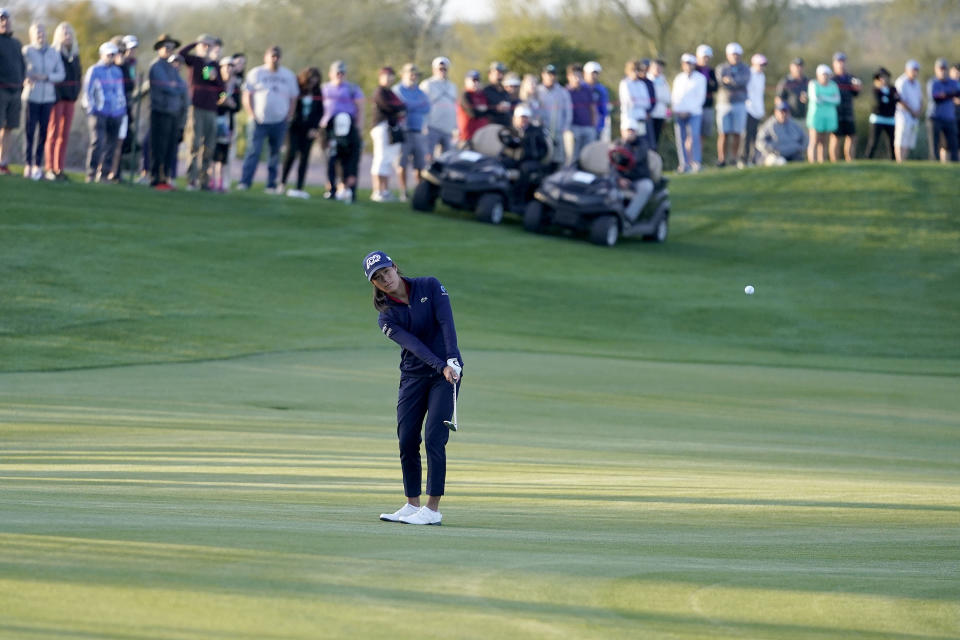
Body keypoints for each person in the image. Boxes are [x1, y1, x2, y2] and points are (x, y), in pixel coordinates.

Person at [364, 250, 463, 527]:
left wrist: (451, 360)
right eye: (377, 278)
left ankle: (432, 509)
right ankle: (411, 504)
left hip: (447, 375)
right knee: (407, 438)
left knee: (434, 438)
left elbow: (446, 323)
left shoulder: (430, 286)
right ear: (374, 283)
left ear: (395, 267)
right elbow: (415, 347)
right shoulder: (386, 317)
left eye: (386, 271)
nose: (385, 279)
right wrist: (439, 363)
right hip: (415, 375)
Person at [238, 45, 298, 193]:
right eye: (272, 56)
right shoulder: (256, 73)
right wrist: (251, 114)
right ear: (265, 57)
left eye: (277, 56)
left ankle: (271, 184)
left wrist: (289, 116)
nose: (274, 59)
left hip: (279, 121)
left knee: (275, 154)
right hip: (258, 121)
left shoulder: (288, 75)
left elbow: (293, 98)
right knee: (253, 152)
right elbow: (247, 95)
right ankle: (244, 182)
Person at [179, 34, 224, 190]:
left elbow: (222, 89)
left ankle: (204, 180)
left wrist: (216, 81)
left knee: (209, 146)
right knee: (194, 143)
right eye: (204, 45)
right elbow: (181, 54)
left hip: (211, 109)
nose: (207, 48)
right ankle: (191, 179)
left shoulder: (214, 65)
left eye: (209, 45)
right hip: (196, 106)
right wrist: (195, 43)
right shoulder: (195, 61)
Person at [21, 22, 64, 180]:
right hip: (31, 96)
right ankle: (28, 164)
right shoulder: (27, 51)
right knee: (30, 131)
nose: (40, 35)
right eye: (37, 33)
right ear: (32, 35)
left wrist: (46, 77)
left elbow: (61, 74)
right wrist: (26, 77)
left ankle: (38, 165)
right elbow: (21, 70)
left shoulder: (54, 52)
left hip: (48, 98)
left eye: (42, 32)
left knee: (43, 132)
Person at [82, 41, 126, 182]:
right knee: (97, 142)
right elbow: (87, 92)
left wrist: (121, 109)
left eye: (113, 55)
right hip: (98, 112)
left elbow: (120, 92)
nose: (111, 57)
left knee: (111, 145)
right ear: (102, 55)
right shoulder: (94, 70)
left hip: (115, 113)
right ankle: (91, 172)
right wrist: (91, 108)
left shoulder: (117, 71)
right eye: (109, 55)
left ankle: (104, 173)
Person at [320, 60, 363, 201]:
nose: (340, 75)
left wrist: (359, 127)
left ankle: (350, 191)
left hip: (349, 128)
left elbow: (360, 108)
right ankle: (332, 189)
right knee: (331, 159)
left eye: (342, 72)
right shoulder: (324, 89)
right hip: (330, 128)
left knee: (350, 161)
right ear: (331, 73)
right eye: (337, 72)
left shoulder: (352, 88)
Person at [147, 34, 185, 190]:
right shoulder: (156, 66)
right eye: (166, 47)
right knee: (159, 147)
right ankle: (156, 178)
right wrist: (174, 86)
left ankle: (165, 178)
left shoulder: (171, 67)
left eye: (172, 47)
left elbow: (182, 87)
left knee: (170, 147)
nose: (170, 50)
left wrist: (175, 86)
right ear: (159, 49)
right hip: (160, 110)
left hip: (173, 112)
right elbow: (167, 87)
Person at [44, 22, 80, 181]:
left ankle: (59, 168)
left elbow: (78, 77)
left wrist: (75, 94)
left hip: (70, 100)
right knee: (53, 133)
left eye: (70, 33)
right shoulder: (54, 54)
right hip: (56, 99)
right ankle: (49, 167)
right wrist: (57, 96)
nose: (68, 36)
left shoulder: (75, 56)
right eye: (64, 33)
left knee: (64, 135)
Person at [279, 66, 322, 198]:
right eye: (311, 79)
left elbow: (320, 111)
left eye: (315, 80)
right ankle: (282, 183)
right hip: (295, 127)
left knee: (304, 158)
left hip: (309, 130)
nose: (313, 82)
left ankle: (299, 186)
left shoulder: (317, 92)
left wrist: (315, 128)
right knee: (291, 154)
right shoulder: (297, 88)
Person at [393, 62, 430, 201]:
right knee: (401, 163)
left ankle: (418, 193)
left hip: (418, 130)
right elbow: (402, 105)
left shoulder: (420, 92)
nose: (413, 76)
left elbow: (426, 107)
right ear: (403, 74)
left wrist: (410, 105)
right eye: (410, 74)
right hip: (404, 130)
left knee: (419, 164)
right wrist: (414, 105)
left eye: (415, 74)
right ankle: (403, 191)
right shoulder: (397, 89)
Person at [498, 103, 549, 199]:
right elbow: (506, 146)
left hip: (530, 160)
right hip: (514, 159)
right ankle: (499, 192)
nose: (524, 120)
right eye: (521, 118)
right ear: (516, 118)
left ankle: (518, 197)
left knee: (525, 169)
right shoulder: (510, 130)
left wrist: (534, 155)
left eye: (526, 118)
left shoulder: (536, 131)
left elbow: (543, 149)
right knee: (500, 163)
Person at [369, 65, 405, 202]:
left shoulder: (391, 92)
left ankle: (384, 191)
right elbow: (388, 107)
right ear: (381, 77)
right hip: (381, 126)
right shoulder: (380, 91)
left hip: (390, 127)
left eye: (391, 76)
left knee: (387, 159)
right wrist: (398, 109)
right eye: (386, 75)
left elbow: (403, 106)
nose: (389, 78)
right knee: (380, 158)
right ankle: (377, 191)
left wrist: (398, 109)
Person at [610, 118, 653, 223]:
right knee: (606, 184)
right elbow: (612, 164)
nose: (630, 133)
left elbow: (634, 159)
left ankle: (627, 218)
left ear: (636, 132)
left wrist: (626, 145)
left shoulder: (642, 144)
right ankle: (609, 213)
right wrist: (619, 179)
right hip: (621, 178)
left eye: (632, 131)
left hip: (638, 178)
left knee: (647, 187)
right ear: (622, 131)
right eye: (627, 130)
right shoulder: (617, 144)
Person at [714, 42, 751, 167]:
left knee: (737, 133)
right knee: (723, 133)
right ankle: (722, 159)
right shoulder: (721, 68)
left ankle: (734, 158)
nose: (735, 57)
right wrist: (735, 82)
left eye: (737, 54)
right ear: (728, 55)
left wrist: (731, 81)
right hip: (724, 104)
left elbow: (743, 81)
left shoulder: (745, 68)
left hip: (740, 103)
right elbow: (722, 81)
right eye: (733, 54)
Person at [672, 53, 706, 173]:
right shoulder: (678, 78)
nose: (688, 66)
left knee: (695, 137)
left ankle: (696, 162)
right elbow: (675, 96)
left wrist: (688, 111)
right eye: (686, 64)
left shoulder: (700, 78)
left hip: (694, 113)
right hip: (679, 113)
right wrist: (677, 110)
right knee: (680, 139)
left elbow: (700, 98)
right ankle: (683, 163)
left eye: (690, 64)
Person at [0, 7, 24, 176]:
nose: (5, 22)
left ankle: (3, 162)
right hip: (1, 91)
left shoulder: (16, 43)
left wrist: (21, 85)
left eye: (7, 18)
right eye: (1, 19)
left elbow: (21, 66)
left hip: (15, 92)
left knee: (9, 128)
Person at [211, 56, 241, 191]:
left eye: (231, 67)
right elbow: (210, 102)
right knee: (212, 152)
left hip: (227, 124)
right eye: (225, 66)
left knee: (223, 156)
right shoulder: (214, 83)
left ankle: (221, 182)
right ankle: (210, 181)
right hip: (213, 121)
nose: (228, 69)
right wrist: (221, 102)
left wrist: (231, 104)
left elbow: (237, 106)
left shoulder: (235, 86)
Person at [420, 56, 456, 161]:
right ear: (434, 69)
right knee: (428, 157)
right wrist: (423, 125)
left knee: (447, 158)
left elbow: (454, 106)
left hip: (448, 128)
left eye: (445, 69)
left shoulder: (452, 86)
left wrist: (455, 127)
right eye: (440, 68)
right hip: (432, 127)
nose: (443, 71)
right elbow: (422, 106)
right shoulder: (427, 84)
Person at [829, 52, 861, 162]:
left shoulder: (851, 78)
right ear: (834, 64)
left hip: (848, 112)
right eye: (838, 62)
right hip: (836, 113)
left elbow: (856, 94)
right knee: (835, 138)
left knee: (851, 136)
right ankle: (834, 161)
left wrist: (857, 88)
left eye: (843, 62)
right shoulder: (831, 79)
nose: (841, 64)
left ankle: (850, 160)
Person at [535, 64, 570, 165]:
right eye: (548, 74)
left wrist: (565, 128)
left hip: (558, 132)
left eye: (553, 74)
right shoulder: (537, 91)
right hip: (542, 132)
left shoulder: (562, 92)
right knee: (543, 159)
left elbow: (568, 112)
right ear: (543, 75)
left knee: (558, 160)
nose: (551, 77)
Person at [756, 98, 807, 165]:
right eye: (781, 111)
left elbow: (805, 137)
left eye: (785, 111)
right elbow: (759, 141)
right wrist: (771, 148)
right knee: (779, 162)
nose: (783, 114)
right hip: (776, 155)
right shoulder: (769, 125)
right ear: (776, 112)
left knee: (799, 162)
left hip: (793, 154)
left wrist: (800, 148)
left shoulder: (793, 124)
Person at [806, 64, 840, 164]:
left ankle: (822, 162)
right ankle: (812, 163)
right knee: (814, 140)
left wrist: (824, 97)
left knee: (824, 142)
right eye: (823, 74)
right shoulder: (813, 84)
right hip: (816, 117)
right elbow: (816, 99)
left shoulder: (833, 85)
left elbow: (837, 100)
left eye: (827, 75)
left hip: (829, 117)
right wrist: (830, 98)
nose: (825, 77)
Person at [929, 57, 959, 162]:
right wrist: (950, 94)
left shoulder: (953, 82)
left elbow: (957, 93)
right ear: (936, 69)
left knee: (953, 143)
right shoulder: (933, 82)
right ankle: (935, 163)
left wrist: (945, 94)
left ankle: (955, 164)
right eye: (940, 69)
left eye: (944, 68)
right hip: (935, 117)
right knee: (935, 144)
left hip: (949, 117)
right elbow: (936, 98)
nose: (942, 71)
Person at [566, 63, 597, 165]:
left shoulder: (587, 90)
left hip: (588, 127)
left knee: (588, 156)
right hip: (573, 127)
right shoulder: (566, 92)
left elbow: (592, 108)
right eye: (574, 76)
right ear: (568, 77)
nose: (577, 79)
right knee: (574, 157)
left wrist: (593, 125)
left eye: (579, 76)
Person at [865, 67, 898, 160]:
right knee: (873, 142)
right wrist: (890, 100)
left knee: (892, 143)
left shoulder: (892, 89)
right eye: (880, 77)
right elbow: (878, 103)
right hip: (878, 118)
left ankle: (893, 160)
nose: (883, 79)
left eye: (885, 77)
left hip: (890, 118)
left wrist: (887, 100)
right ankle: (868, 159)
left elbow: (896, 100)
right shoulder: (875, 90)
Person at [894, 59, 923, 163]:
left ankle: (904, 160)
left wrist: (918, 111)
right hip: (903, 116)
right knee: (901, 139)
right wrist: (912, 111)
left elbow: (920, 100)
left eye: (916, 70)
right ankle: (899, 160)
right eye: (913, 70)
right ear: (907, 70)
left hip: (914, 117)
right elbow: (900, 99)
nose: (915, 72)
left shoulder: (917, 83)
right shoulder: (901, 81)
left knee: (909, 141)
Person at [742, 53, 767, 166]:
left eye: (763, 65)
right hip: (748, 109)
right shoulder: (748, 73)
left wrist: (761, 110)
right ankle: (743, 159)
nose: (762, 67)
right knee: (747, 136)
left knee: (755, 136)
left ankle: (753, 159)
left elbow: (759, 95)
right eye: (760, 64)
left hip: (758, 110)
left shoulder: (762, 76)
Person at [695, 44, 718, 163]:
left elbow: (715, 87)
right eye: (704, 57)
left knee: (703, 134)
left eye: (708, 57)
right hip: (694, 107)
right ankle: (690, 160)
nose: (706, 59)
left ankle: (697, 159)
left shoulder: (711, 71)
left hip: (707, 105)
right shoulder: (694, 70)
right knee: (693, 134)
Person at [619, 60, 651, 144]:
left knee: (641, 141)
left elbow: (647, 103)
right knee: (628, 142)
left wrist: (636, 101)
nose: (636, 73)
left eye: (638, 70)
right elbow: (630, 102)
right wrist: (639, 101)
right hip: (629, 119)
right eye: (633, 70)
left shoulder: (642, 84)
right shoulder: (625, 83)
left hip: (641, 118)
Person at [455, 69, 489, 145]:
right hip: (467, 136)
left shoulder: (482, 95)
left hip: (480, 135)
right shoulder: (465, 95)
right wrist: (483, 110)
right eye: (473, 80)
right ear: (466, 81)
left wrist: (483, 110)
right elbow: (472, 113)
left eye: (477, 80)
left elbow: (488, 111)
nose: (476, 83)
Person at [583, 61, 609, 141]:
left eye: (596, 73)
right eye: (592, 73)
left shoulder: (601, 89)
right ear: (585, 73)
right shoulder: (580, 88)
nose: (594, 76)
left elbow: (604, 109)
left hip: (596, 127)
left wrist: (601, 125)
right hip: (581, 126)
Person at [648, 59, 671, 149]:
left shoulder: (663, 81)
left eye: (660, 67)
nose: (658, 69)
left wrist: (667, 116)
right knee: (648, 139)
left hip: (660, 114)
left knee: (656, 140)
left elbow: (668, 98)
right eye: (656, 67)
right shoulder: (647, 80)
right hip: (649, 114)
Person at [482, 61, 512, 127]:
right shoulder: (485, 91)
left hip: (505, 126)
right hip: (491, 126)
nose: (500, 75)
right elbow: (481, 109)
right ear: (490, 74)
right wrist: (496, 108)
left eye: (502, 73)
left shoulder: (505, 91)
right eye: (497, 73)